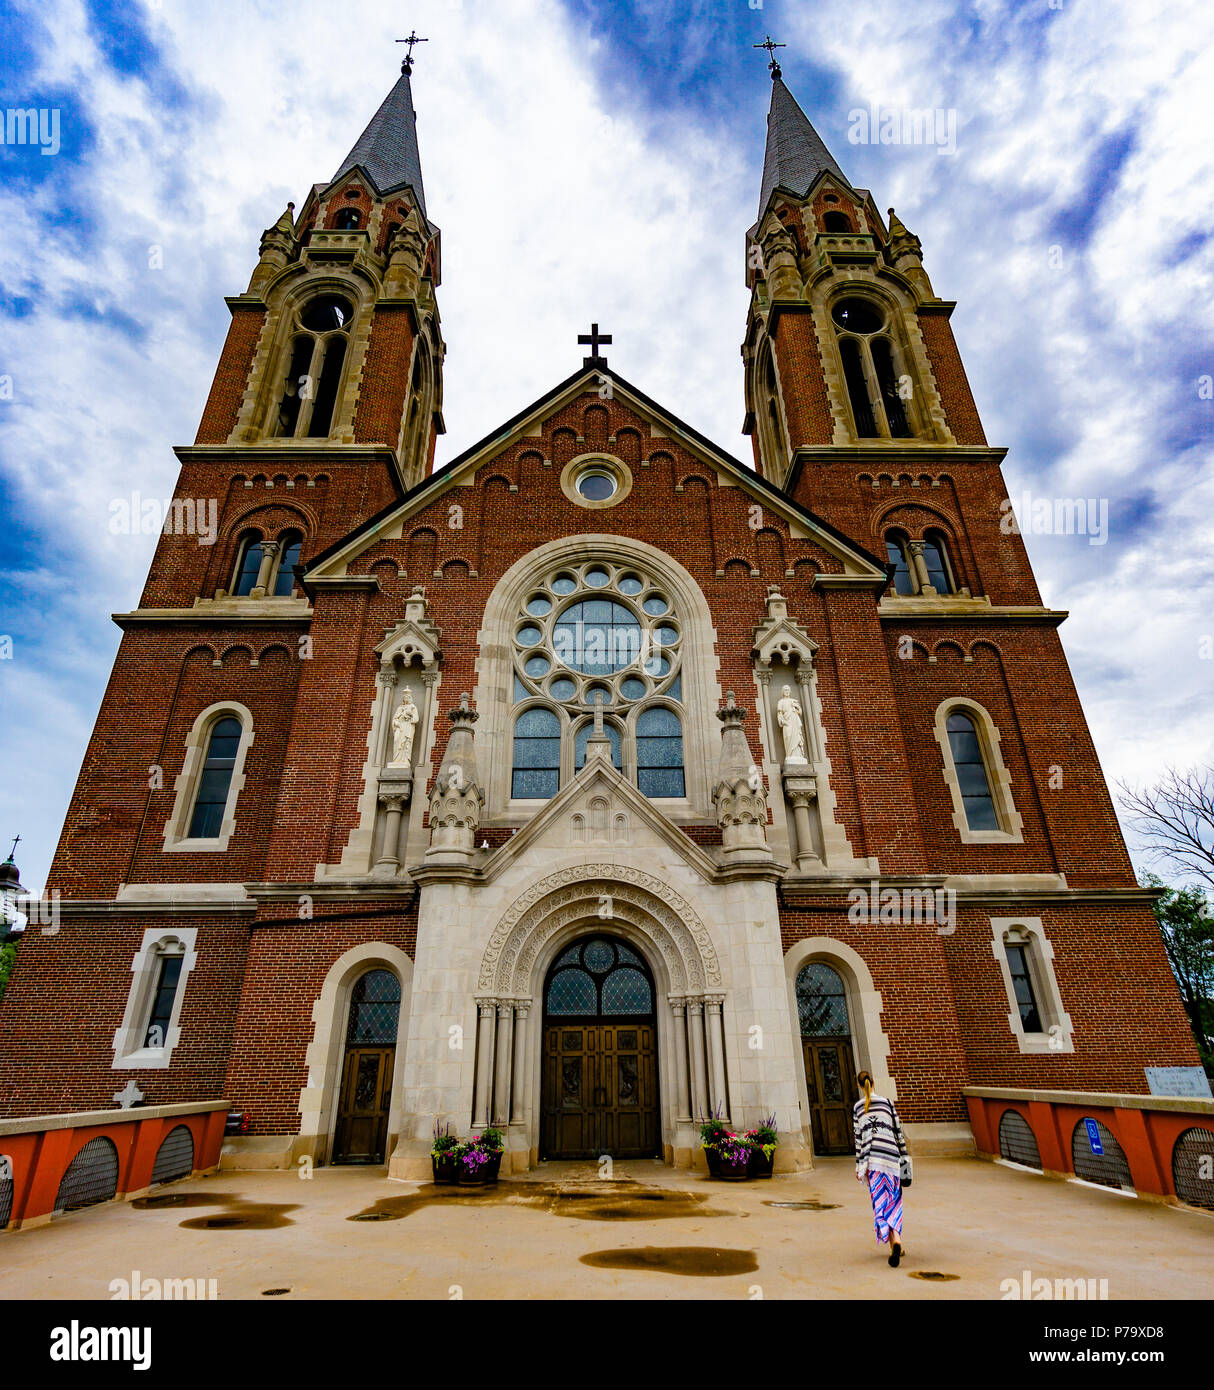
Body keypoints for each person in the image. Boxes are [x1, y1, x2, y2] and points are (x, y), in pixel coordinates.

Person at [853, 1069, 910, 1267]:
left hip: (873, 1162)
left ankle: (892, 1242)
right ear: (873, 1082)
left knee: (880, 1204)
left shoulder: (858, 1108)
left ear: (859, 1086)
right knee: (894, 1202)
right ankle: (898, 1242)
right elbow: (898, 1132)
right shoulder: (887, 1103)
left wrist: (859, 1166)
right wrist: (904, 1155)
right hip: (892, 1159)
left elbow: (859, 1140)